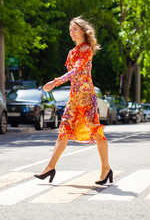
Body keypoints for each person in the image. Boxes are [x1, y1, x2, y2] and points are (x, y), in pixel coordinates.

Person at [34, 16, 112, 185]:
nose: (72, 33)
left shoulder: (86, 50)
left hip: (87, 98)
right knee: (64, 130)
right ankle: (50, 167)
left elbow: (76, 72)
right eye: (70, 30)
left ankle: (106, 169)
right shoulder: (71, 52)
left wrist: (55, 82)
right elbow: (73, 75)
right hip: (74, 98)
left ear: (83, 31)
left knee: (96, 132)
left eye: (75, 29)